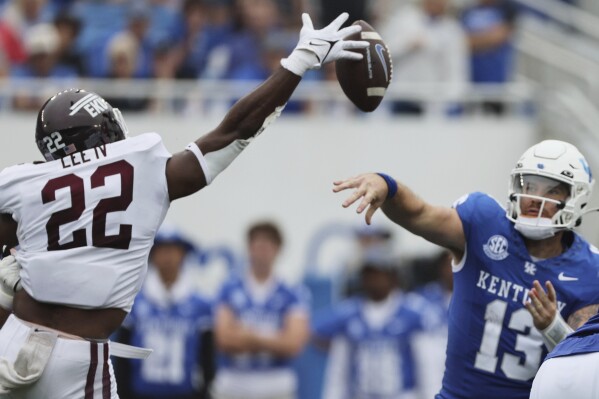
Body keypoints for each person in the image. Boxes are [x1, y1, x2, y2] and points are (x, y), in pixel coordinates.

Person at [0, 12, 368, 398]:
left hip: (15, 341)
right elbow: (233, 132)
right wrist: (298, 63)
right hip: (79, 356)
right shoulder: (140, 169)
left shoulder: (24, 183)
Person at [333, 139, 599, 399]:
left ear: (577, 198)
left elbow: (582, 368)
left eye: (550, 190)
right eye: (529, 184)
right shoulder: (484, 223)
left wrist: (553, 327)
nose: (533, 198)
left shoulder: (590, 270)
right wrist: (387, 186)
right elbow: (420, 214)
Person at [113, 227, 215, 399]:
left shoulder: (200, 305)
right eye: (162, 249)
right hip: (141, 393)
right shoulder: (133, 302)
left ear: (183, 254)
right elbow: (122, 355)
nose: (168, 256)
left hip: (185, 393)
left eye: (173, 249)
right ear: (152, 255)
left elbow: (208, 356)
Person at [212, 221, 310, 399]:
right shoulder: (229, 288)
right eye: (258, 245)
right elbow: (223, 338)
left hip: (275, 381)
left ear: (278, 249)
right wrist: (274, 338)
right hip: (234, 380)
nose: (262, 253)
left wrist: (250, 337)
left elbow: (294, 344)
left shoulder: (293, 291)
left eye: (268, 246)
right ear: (249, 248)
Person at [312, 255, 430, 399]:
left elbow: (426, 367)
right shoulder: (349, 315)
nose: (373, 280)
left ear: (393, 277)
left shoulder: (412, 313)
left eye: (379, 274)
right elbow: (338, 369)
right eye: (368, 275)